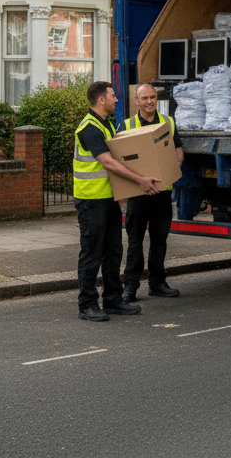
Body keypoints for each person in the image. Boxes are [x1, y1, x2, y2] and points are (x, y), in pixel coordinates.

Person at [73, 80, 161, 321]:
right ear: (101, 99)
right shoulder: (89, 128)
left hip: (108, 199)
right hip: (91, 200)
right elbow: (109, 162)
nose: (115, 99)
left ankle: (113, 299)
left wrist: (121, 195)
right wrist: (140, 180)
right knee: (91, 253)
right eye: (112, 96)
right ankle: (87, 304)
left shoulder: (105, 124)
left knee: (113, 251)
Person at [120, 83, 185, 302]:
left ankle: (157, 283)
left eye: (153, 97)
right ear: (136, 101)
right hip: (138, 193)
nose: (149, 102)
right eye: (145, 98)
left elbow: (178, 151)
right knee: (135, 241)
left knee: (159, 239)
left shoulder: (168, 123)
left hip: (162, 192)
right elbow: (122, 160)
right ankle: (130, 287)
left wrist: (172, 168)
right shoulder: (127, 125)